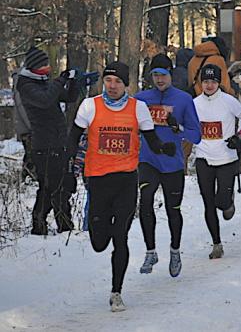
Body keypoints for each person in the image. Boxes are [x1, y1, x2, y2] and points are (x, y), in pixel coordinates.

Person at [68, 61, 177, 312]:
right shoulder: (90, 106)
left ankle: (116, 292)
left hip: (127, 179)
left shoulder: (138, 108)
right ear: (103, 82)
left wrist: (163, 148)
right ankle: (100, 233)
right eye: (108, 81)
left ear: (125, 84)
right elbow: (73, 137)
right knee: (99, 242)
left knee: (121, 237)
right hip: (97, 180)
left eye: (118, 81)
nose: (113, 86)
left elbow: (151, 139)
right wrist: (68, 169)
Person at [135, 54, 201, 277]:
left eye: (163, 74)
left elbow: (197, 135)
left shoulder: (183, 99)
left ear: (170, 74)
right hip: (148, 160)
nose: (159, 79)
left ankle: (175, 250)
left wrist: (179, 128)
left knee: (174, 209)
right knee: (145, 201)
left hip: (172, 164)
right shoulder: (141, 99)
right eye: (155, 75)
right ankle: (150, 251)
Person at [193, 64, 241, 259]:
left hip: (227, 159)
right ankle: (217, 243)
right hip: (203, 158)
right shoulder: (194, 104)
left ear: (219, 82)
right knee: (208, 203)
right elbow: (184, 125)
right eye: (205, 81)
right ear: (200, 83)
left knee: (221, 201)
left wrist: (240, 136)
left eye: (213, 81)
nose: (209, 85)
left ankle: (228, 203)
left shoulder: (229, 102)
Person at [16, 47, 80, 235]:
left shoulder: (44, 83)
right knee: (57, 188)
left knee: (50, 187)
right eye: (44, 64)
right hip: (44, 145)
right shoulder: (26, 86)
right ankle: (63, 227)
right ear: (34, 67)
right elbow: (45, 100)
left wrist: (75, 82)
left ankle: (40, 225)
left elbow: (68, 97)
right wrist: (61, 80)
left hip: (58, 143)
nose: (48, 67)